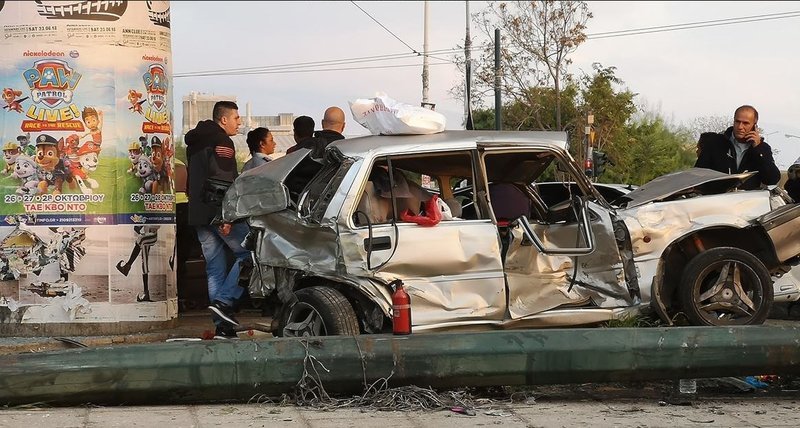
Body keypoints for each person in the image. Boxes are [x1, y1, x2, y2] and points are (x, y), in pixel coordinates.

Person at [184, 100, 249, 337]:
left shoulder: (194, 142)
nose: (239, 122)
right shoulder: (222, 142)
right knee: (249, 253)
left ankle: (223, 325)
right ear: (223, 119)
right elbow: (222, 181)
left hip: (198, 214)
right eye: (236, 118)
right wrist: (226, 216)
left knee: (214, 268)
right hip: (218, 214)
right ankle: (224, 302)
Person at [694, 105, 780, 190]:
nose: (740, 127)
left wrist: (758, 149)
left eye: (745, 123)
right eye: (737, 122)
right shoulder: (715, 143)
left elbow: (772, 179)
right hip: (716, 200)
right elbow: (698, 175)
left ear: (754, 125)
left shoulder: (763, 148)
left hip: (747, 201)